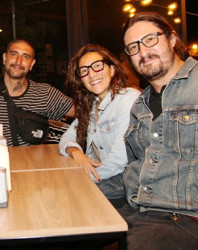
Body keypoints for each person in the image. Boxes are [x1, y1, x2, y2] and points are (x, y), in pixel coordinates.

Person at [120, 12, 198, 249]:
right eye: (133, 47)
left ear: (172, 39)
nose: (143, 52)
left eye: (150, 40)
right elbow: (137, 165)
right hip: (138, 208)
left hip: (184, 216)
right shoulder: (139, 105)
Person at [0, 39, 75, 146]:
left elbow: (83, 113)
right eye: (14, 54)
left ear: (32, 64)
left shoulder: (45, 93)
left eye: (26, 57)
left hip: (34, 169)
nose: (18, 61)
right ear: (5, 58)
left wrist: (74, 144)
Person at [59, 44, 140, 199]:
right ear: (81, 80)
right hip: (102, 175)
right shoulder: (92, 105)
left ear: (112, 69)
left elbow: (118, 161)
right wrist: (77, 153)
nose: (92, 74)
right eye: (84, 71)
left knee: (67, 194)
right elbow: (66, 139)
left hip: (124, 179)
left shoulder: (128, 98)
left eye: (97, 66)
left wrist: (82, 178)